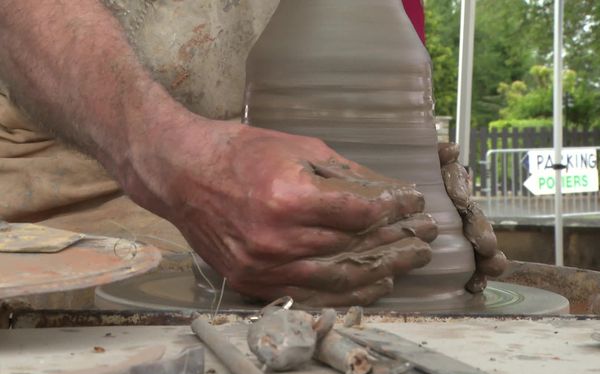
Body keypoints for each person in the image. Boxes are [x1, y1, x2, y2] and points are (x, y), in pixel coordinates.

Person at [0, 0, 501, 306]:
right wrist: (169, 158)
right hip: (58, 213)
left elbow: (373, 92)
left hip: (265, 203)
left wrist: (412, 193)